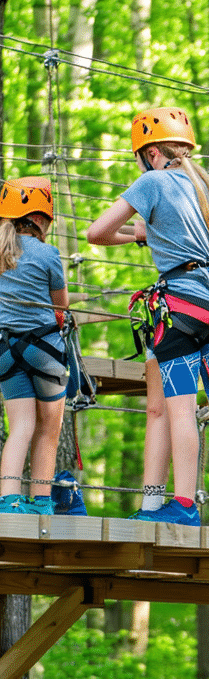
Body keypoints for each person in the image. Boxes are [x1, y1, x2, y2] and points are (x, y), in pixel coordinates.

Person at [87, 107, 209, 530]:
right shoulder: (202, 185)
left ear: (151, 153)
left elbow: (97, 232)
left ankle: (184, 505)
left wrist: (137, 233)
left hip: (181, 304)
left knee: (179, 407)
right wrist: (153, 233)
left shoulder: (152, 182)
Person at [0, 176, 69, 515]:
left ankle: (9, 501)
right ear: (40, 218)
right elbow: (62, 305)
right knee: (48, 429)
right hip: (44, 350)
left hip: (4, 351)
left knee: (21, 428)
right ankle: (41, 502)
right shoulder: (47, 253)